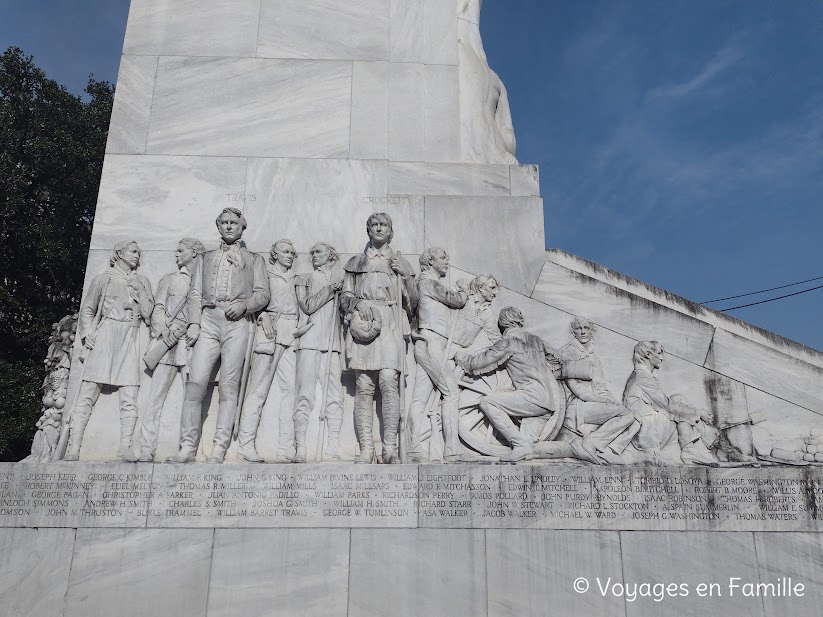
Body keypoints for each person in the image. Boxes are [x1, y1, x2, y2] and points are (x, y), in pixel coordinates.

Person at [166, 208, 269, 464]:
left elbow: (263, 294)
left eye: (233, 222)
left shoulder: (254, 259)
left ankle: (219, 449)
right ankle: (187, 447)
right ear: (218, 226)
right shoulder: (205, 258)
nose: (228, 226)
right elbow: (194, 293)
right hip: (209, 320)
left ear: (242, 226)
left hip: (237, 321)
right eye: (223, 222)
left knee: (229, 386)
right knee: (195, 384)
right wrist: (194, 322)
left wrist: (245, 306)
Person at [64, 240, 154, 461]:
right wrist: (87, 334)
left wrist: (140, 290)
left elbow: (149, 313)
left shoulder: (141, 281)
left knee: (129, 394)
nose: (137, 256)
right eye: (133, 252)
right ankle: (73, 447)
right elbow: (88, 309)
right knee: (88, 392)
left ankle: (125, 447)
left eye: (138, 253)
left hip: (129, 337)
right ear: (119, 253)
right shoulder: (103, 279)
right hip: (105, 334)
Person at [340, 213, 418, 464]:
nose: (378, 229)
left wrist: (406, 276)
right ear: (368, 230)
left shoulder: (399, 262)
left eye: (383, 225)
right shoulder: (356, 262)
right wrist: (357, 303)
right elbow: (344, 297)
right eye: (373, 225)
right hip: (364, 322)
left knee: (388, 380)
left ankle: (390, 448)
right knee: (363, 385)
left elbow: (414, 304)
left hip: (391, 321)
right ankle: (366, 449)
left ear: (391, 232)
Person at [454, 307, 565, 462]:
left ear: (502, 324)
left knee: (487, 402)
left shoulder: (508, 343)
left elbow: (477, 364)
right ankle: (579, 449)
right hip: (547, 403)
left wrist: (461, 357)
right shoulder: (536, 341)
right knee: (530, 452)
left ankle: (518, 444)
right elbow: (556, 359)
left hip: (530, 399)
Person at [128, 237, 204, 462]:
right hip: (168, 343)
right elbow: (158, 309)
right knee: (155, 399)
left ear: (194, 253)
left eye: (181, 250)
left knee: (191, 400)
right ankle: (145, 448)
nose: (177, 254)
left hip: (191, 345)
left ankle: (187, 449)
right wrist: (163, 332)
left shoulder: (205, 283)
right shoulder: (170, 279)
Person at [235, 239, 299, 463]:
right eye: (285, 251)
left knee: (290, 391)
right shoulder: (267, 273)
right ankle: (245, 444)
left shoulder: (295, 278)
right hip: (268, 333)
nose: (290, 255)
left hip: (291, 336)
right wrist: (261, 315)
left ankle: (285, 448)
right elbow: (251, 298)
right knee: (257, 391)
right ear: (274, 254)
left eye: (292, 252)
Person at [407, 248, 471, 463]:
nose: (447, 261)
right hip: (432, 342)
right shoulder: (429, 282)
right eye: (443, 258)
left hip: (428, 342)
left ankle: (413, 447)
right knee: (451, 393)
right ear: (430, 261)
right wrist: (464, 289)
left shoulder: (423, 284)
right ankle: (452, 448)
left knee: (419, 398)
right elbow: (456, 300)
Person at [623, 341, 719, 465]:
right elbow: (668, 405)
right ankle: (699, 446)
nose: (662, 358)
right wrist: (699, 413)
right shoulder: (643, 377)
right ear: (648, 354)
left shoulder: (641, 375)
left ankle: (692, 449)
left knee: (678, 399)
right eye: (659, 353)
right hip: (648, 431)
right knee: (681, 412)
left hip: (651, 425)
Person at [557, 317, 638, 460]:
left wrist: (614, 403)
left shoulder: (594, 359)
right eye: (578, 328)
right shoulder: (567, 352)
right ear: (572, 331)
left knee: (632, 416)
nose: (582, 332)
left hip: (592, 405)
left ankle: (610, 451)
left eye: (586, 328)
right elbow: (578, 390)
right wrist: (603, 402)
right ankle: (590, 444)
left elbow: (602, 388)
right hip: (575, 407)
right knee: (626, 415)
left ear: (592, 332)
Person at [292, 242, 345, 462]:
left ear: (330, 255)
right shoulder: (304, 279)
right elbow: (308, 305)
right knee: (305, 394)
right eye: (312, 252)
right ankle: (301, 447)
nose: (314, 255)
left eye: (318, 252)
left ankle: (332, 443)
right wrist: (330, 290)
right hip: (310, 341)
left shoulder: (342, 280)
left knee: (335, 396)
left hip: (332, 344)